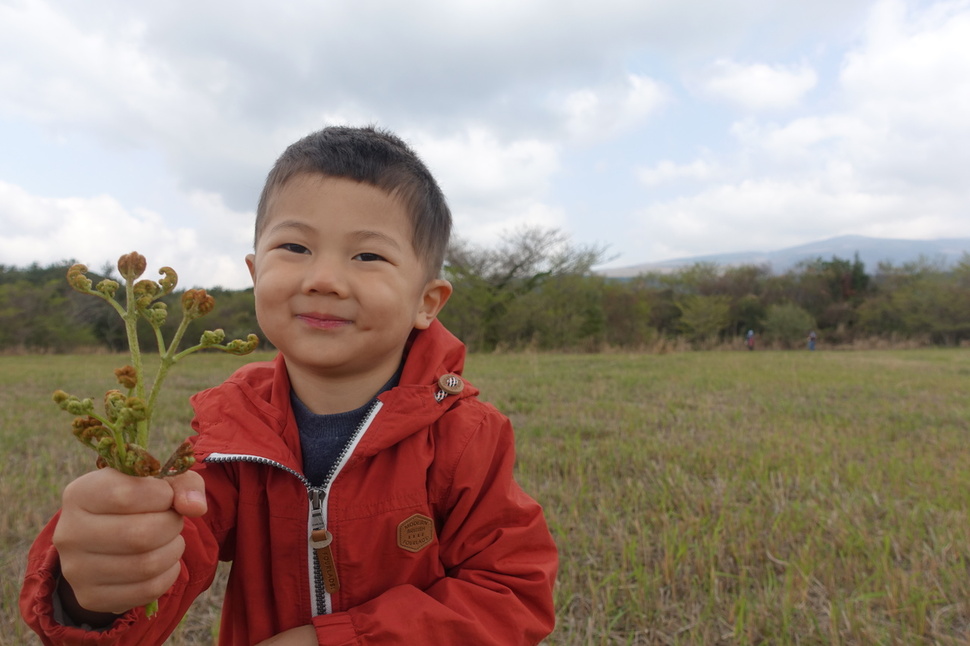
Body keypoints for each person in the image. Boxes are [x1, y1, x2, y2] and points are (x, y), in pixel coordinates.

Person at [20, 126, 558, 645]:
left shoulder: (465, 435)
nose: (322, 278)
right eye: (295, 247)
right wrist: (94, 588)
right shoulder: (231, 432)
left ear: (427, 302)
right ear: (255, 273)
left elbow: (512, 595)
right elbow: (166, 573)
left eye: (367, 255)